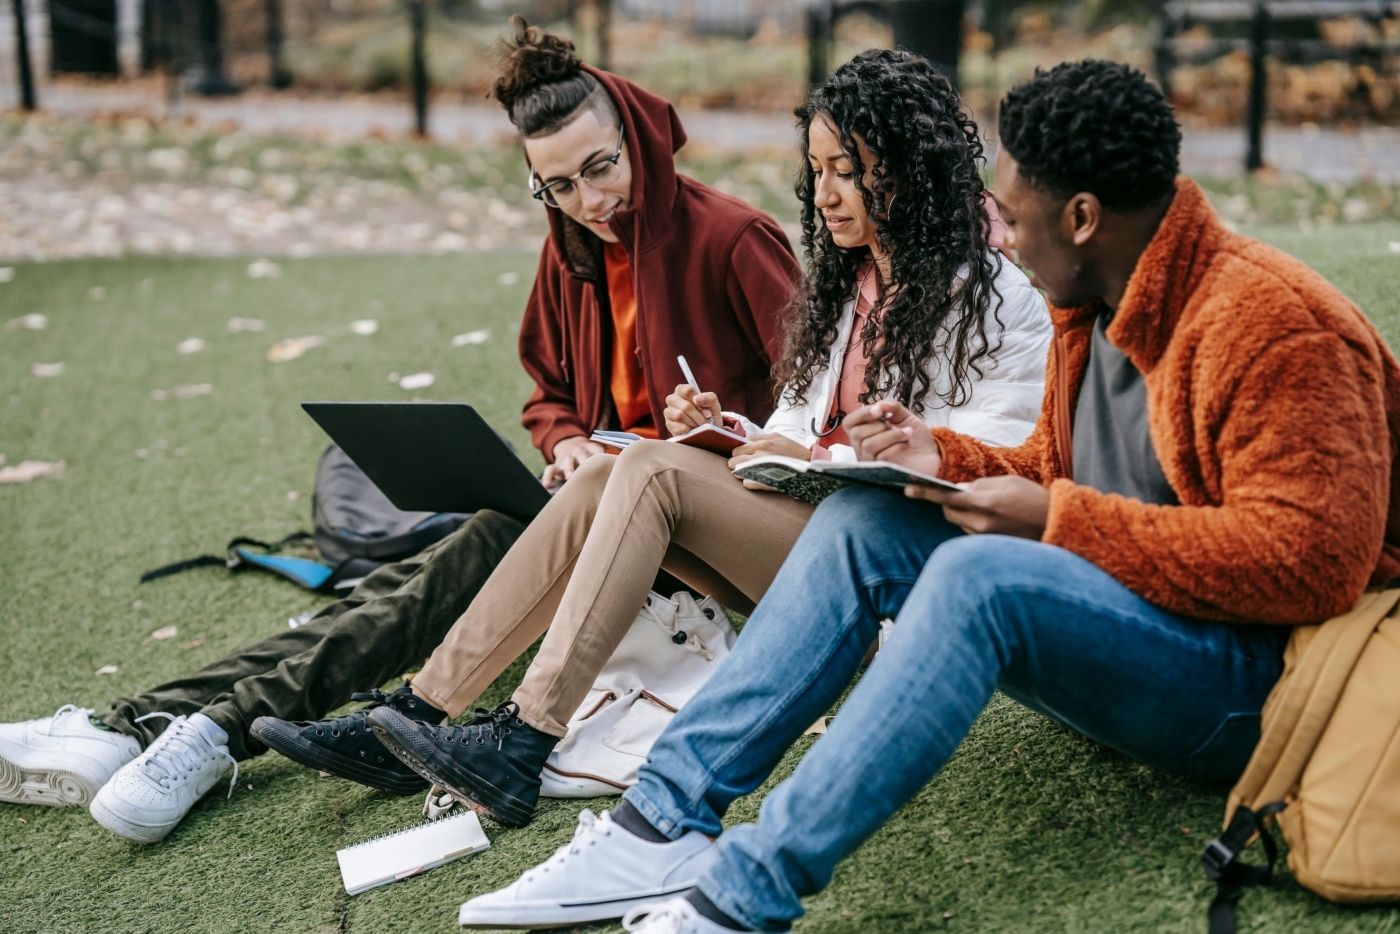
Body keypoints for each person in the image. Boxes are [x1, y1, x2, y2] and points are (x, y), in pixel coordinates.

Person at [447, 59, 1400, 933]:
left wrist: (1061, 521)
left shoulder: (1275, 327)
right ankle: (658, 826)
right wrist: (937, 453)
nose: (1003, 232)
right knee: (868, 517)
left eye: (1016, 213)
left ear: (1079, 216)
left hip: (1266, 692)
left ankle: (739, 899)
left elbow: (1314, 565)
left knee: (985, 579)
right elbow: (1057, 466)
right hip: (1143, 633)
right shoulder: (1094, 299)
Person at [0, 17, 798, 844]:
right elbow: (549, 394)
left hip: (699, 542)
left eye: (601, 169)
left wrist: (712, 434)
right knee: (406, 582)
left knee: (458, 558)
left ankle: (194, 732)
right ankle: (150, 724)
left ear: (635, 139)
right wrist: (565, 442)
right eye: (558, 185)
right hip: (596, 513)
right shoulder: (572, 251)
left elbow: (809, 424)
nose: (590, 202)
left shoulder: (734, 241)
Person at [253, 48, 1050, 830]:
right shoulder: (850, 283)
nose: (827, 194)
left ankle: (523, 739)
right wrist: (725, 431)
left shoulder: (999, 294)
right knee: (611, 472)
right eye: (820, 171)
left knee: (650, 472)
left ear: (910, 169)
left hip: (891, 564)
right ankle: (424, 707)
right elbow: (796, 426)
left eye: (849, 171)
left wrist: (900, 444)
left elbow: (1012, 440)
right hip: (813, 528)